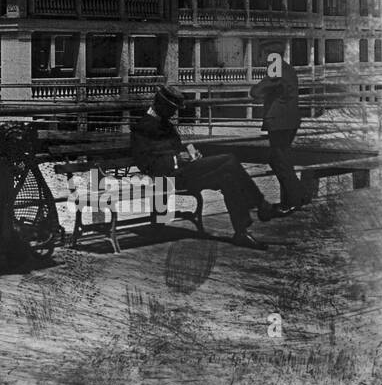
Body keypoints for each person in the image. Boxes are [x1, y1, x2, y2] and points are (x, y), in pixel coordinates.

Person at [131, 85, 278, 250]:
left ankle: (241, 232)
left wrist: (191, 155)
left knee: (227, 177)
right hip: (169, 179)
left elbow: (177, 148)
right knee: (230, 160)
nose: (174, 114)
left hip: (184, 173)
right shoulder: (142, 127)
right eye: (172, 110)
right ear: (162, 106)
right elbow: (145, 163)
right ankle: (261, 204)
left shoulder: (166, 124)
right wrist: (176, 159)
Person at [249, 54, 307, 212]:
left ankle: (294, 199)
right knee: (285, 160)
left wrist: (265, 93)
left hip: (278, 123)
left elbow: (255, 91)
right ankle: (298, 197)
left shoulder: (276, 70)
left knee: (278, 161)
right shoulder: (289, 69)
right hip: (290, 121)